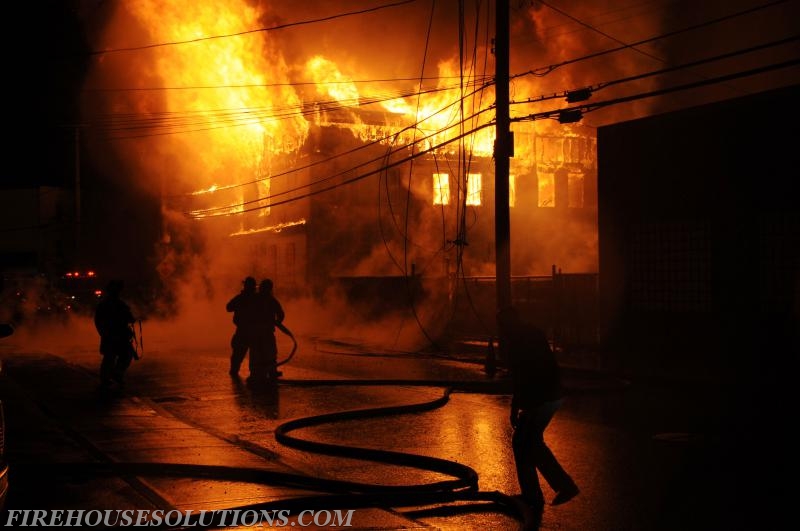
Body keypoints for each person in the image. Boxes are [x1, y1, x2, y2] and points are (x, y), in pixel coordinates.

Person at [498, 306, 579, 510]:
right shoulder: (531, 332)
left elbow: (522, 376)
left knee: (526, 441)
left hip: (541, 397)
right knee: (525, 441)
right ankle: (535, 494)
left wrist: (517, 407)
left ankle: (560, 486)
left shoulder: (516, 341)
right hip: (551, 394)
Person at [94, 279, 138, 387]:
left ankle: (109, 377)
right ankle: (114, 375)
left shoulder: (105, 304)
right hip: (117, 335)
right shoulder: (118, 304)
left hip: (112, 335)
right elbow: (129, 318)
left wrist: (103, 332)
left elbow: (98, 321)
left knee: (113, 357)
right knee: (121, 356)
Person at [226, 276, 261, 378]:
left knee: (239, 353)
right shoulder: (257, 298)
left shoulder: (240, 298)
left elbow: (228, 307)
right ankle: (254, 374)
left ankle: (235, 371)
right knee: (254, 354)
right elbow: (228, 307)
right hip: (253, 331)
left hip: (244, 330)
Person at [252, 278, 286, 381]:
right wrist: (277, 322)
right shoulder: (271, 300)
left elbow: (280, 313)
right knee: (270, 352)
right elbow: (280, 314)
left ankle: (257, 373)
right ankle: (271, 372)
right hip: (266, 331)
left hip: (257, 331)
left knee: (259, 352)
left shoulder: (255, 298)